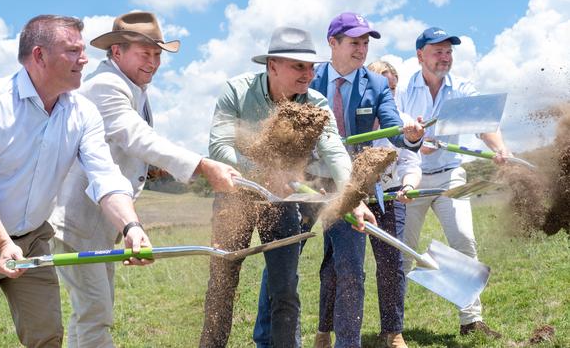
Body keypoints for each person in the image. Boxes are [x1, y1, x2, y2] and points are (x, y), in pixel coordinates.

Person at [0, 15, 152, 348]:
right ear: (39, 55)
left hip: (33, 238)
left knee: (46, 335)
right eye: (73, 51)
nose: (85, 59)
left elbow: (105, 177)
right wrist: (3, 243)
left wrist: (130, 227)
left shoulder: (83, 113)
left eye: (82, 50)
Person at [47, 11, 240, 348]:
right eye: (144, 53)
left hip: (99, 222)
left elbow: (125, 145)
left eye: (156, 55)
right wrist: (201, 165)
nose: (152, 62)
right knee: (95, 312)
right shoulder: (107, 85)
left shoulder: (132, 85)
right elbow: (135, 136)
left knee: (89, 311)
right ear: (117, 52)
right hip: (78, 220)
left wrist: (151, 168)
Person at [201, 26, 376, 348]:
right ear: (272, 66)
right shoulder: (236, 92)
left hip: (281, 202)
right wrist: (260, 173)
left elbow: (334, 150)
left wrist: (354, 196)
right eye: (298, 66)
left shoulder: (315, 103)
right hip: (234, 197)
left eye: (311, 66)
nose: (308, 74)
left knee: (285, 289)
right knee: (222, 283)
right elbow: (219, 145)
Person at [396, 27, 510, 338]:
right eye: (438, 51)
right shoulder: (404, 90)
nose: (445, 57)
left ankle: (470, 321)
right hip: (411, 179)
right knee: (402, 252)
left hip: (450, 175)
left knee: (464, 241)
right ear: (421, 55)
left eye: (448, 51)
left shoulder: (461, 88)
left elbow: (484, 123)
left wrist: (498, 148)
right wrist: (415, 140)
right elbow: (395, 132)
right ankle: (393, 329)